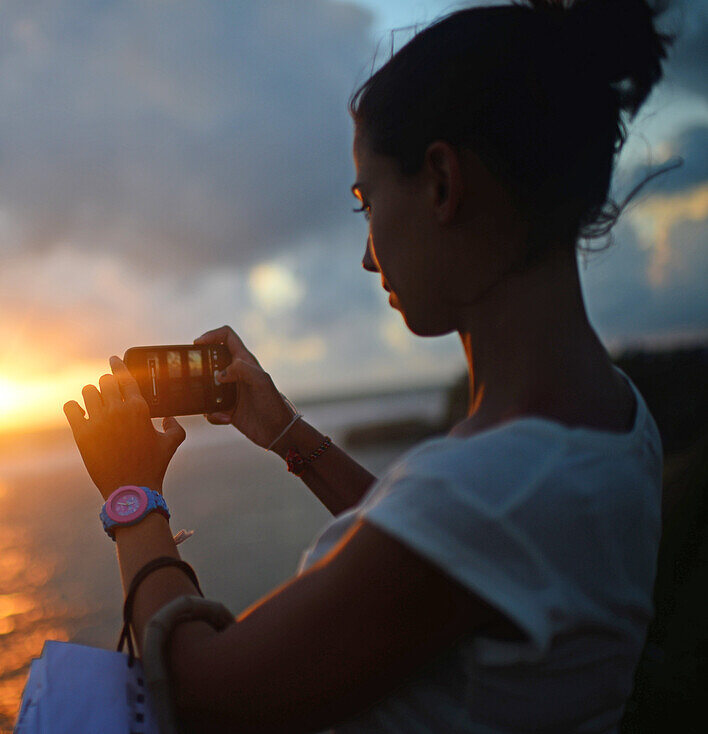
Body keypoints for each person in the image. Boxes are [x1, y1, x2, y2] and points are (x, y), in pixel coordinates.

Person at [63, 0, 670, 730]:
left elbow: (202, 693)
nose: (367, 254)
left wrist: (133, 498)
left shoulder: (492, 493)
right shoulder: (612, 416)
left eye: (366, 201)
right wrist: (287, 433)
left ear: (442, 182)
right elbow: (431, 548)